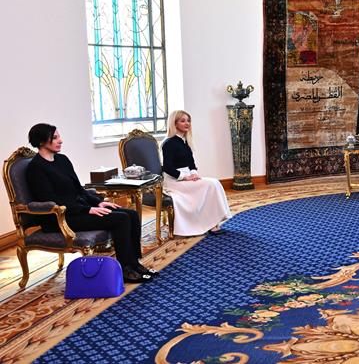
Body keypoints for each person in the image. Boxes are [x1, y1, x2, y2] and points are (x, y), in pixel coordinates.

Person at [25, 124, 155, 283]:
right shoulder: (36, 168)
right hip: (60, 218)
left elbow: (78, 189)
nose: (60, 140)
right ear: (41, 142)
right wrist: (87, 209)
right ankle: (125, 269)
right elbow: (52, 200)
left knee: (132, 214)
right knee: (121, 219)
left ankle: (134, 263)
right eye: (55, 138)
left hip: (78, 210)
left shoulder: (62, 160)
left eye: (59, 136)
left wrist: (98, 203)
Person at [161, 110, 232, 236]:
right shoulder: (168, 143)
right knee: (211, 184)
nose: (187, 123)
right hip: (174, 181)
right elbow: (167, 167)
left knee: (213, 183)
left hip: (187, 177)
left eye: (188, 121)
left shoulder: (185, 141)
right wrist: (184, 177)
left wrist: (193, 173)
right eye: (183, 121)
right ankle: (211, 223)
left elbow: (191, 163)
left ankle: (212, 222)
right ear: (174, 123)